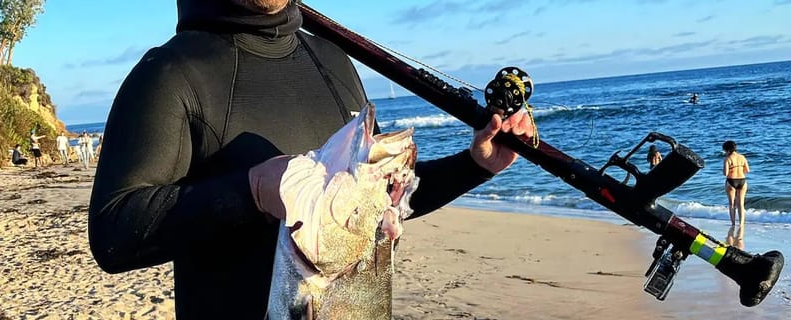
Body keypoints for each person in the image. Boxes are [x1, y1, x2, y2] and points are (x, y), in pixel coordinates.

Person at [86, 1, 535, 318]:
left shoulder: (331, 61)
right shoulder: (169, 74)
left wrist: (474, 165)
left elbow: (371, 208)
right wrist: (254, 190)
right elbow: (114, 231)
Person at [723, 140, 749, 227]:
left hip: (731, 181)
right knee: (741, 204)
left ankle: (733, 223)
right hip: (742, 180)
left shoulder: (727, 159)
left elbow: (725, 173)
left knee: (732, 204)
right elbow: (747, 170)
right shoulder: (742, 157)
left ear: (727, 150)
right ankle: (741, 224)